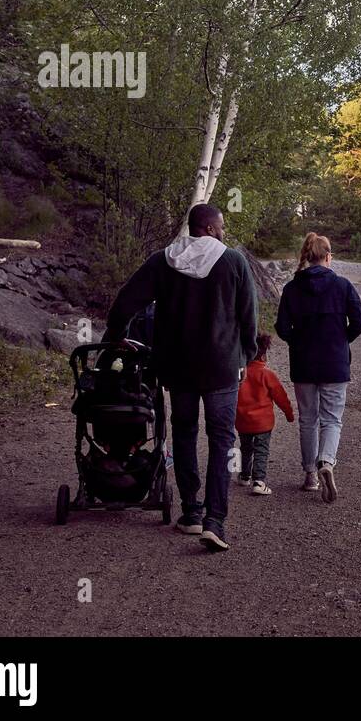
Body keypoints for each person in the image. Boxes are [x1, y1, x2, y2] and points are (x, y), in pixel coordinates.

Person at [104, 203, 257, 552]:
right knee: (221, 440)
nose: (223, 232)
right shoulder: (233, 262)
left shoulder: (163, 260)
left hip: (178, 366)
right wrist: (245, 356)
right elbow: (248, 315)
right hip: (221, 367)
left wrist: (116, 337)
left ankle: (191, 512)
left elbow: (126, 300)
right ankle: (215, 522)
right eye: (220, 227)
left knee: (185, 432)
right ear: (207, 227)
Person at [275, 233, 361, 501]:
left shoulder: (292, 288)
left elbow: (282, 327)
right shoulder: (343, 285)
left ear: (307, 256)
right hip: (335, 363)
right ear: (328, 257)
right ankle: (326, 461)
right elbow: (359, 322)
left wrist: (298, 343)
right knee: (332, 419)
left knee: (308, 420)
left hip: (303, 363)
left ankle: (310, 475)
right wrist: (340, 340)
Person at [235, 333, 294, 495]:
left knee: (246, 448)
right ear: (263, 354)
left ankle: (245, 476)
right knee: (261, 449)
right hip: (263, 423)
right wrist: (289, 414)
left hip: (243, 421)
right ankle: (259, 481)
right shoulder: (267, 374)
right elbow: (281, 397)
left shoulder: (240, 375)